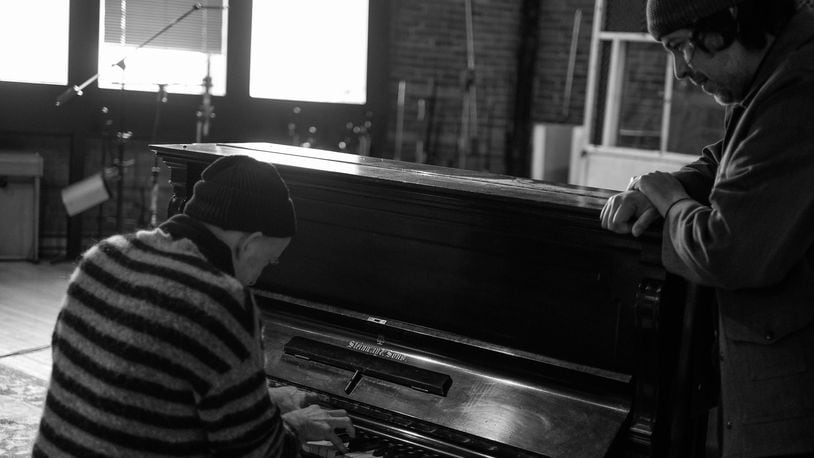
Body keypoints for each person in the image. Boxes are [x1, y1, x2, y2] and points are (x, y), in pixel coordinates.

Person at [601, 0, 814, 456]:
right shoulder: (776, 72)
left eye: (681, 47)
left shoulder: (801, 84)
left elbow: (726, 250)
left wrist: (672, 202)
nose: (680, 71)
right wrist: (669, 184)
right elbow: (727, 160)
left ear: (731, 21)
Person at [33, 155, 355, 457]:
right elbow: (258, 452)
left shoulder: (103, 257)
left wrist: (263, 401)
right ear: (249, 243)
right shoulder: (219, 301)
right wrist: (296, 426)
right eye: (268, 261)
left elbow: (136, 390)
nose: (257, 278)